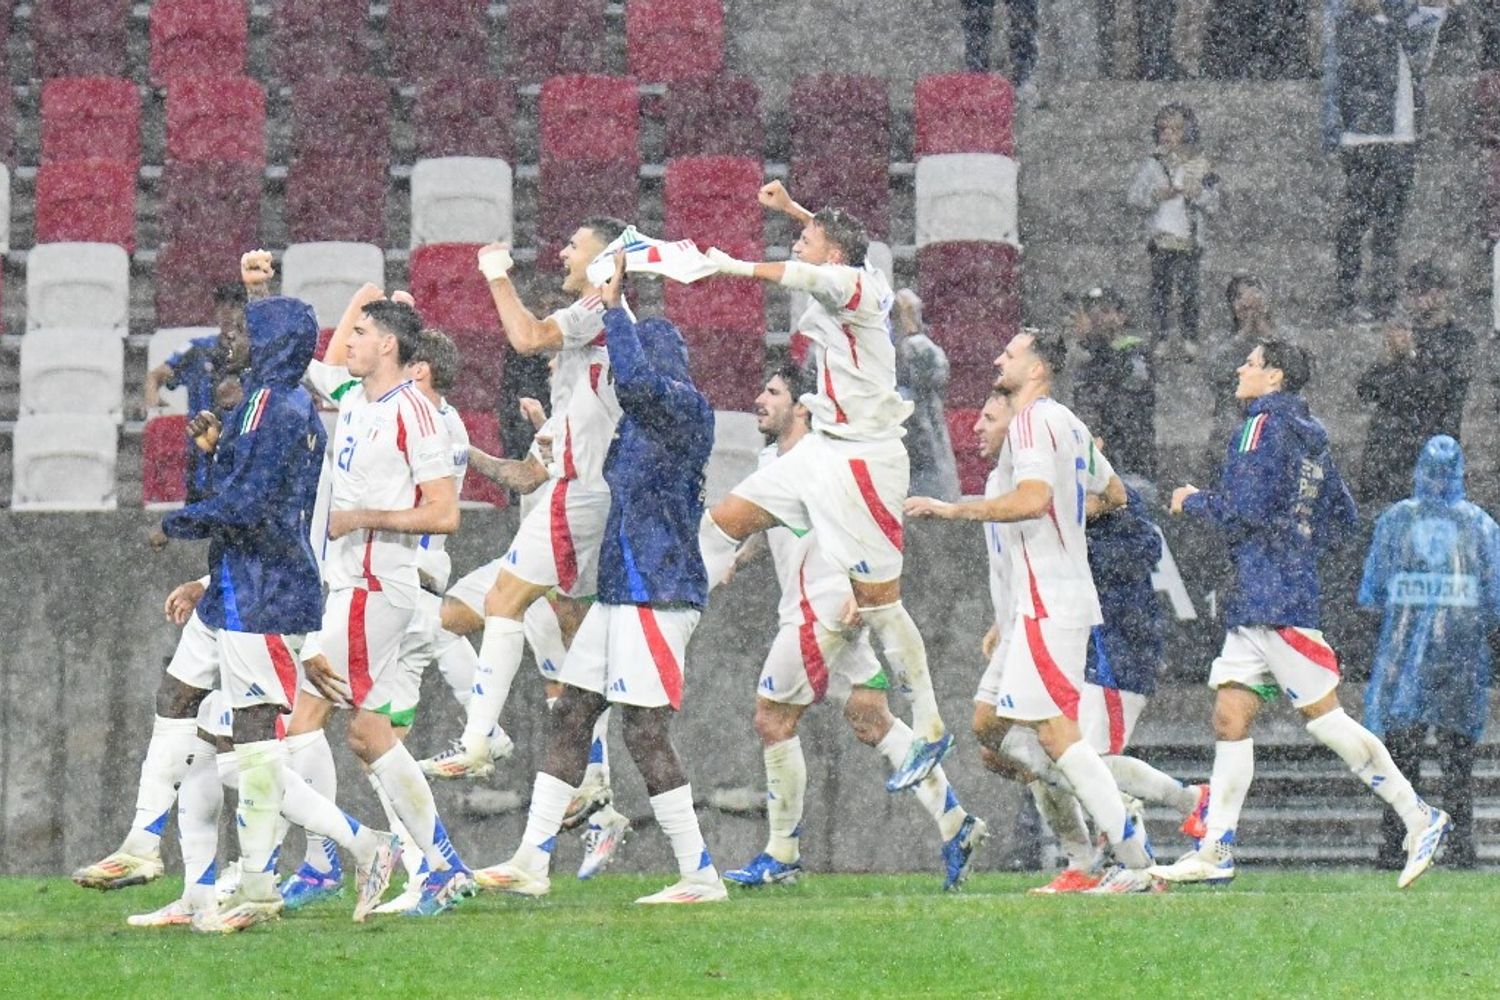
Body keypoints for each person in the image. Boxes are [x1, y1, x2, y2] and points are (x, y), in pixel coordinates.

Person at [474, 253, 726, 904]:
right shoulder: (637, 425)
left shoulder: (684, 409)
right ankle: (532, 857)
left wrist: (614, 312)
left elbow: (636, 383)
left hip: (660, 590)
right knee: (573, 713)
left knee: (644, 732)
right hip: (623, 589)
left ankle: (699, 873)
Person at [1154, 340, 1450, 888]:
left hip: (1271, 598)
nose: (1241, 368)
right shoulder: (1311, 434)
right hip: (1268, 593)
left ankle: (1418, 816)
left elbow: (1245, 509)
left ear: (1275, 378)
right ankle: (1217, 848)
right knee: (1230, 716)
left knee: (1327, 720)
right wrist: (1298, 546)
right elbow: (1341, 515)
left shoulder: (1260, 425)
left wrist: (1192, 499)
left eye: (1252, 362)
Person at [699, 180, 954, 792]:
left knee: (881, 604)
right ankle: (666, 621)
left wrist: (728, 264)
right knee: (724, 520)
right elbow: (836, 248)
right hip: (822, 448)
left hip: (866, 459)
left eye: (806, 236)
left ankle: (930, 722)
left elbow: (803, 275)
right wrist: (794, 209)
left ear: (831, 253)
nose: (798, 240)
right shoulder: (857, 269)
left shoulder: (849, 284)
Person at [157, 296, 389, 931]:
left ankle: (347, 849)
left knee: (249, 749)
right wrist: (211, 580)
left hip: (276, 598)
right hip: (249, 592)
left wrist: (297, 625)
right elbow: (260, 510)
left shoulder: (291, 416)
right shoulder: (283, 411)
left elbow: (275, 519)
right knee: (212, 747)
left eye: (363, 335)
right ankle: (203, 890)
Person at [906, 329, 1161, 893]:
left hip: (1051, 600)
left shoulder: (1031, 421)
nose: (999, 358)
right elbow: (1114, 493)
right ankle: (1101, 831)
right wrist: (1069, 520)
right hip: (1036, 604)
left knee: (1057, 737)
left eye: (1011, 353)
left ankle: (1134, 862)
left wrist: (953, 510)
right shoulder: (1066, 422)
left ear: (1038, 369)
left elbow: (1033, 500)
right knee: (988, 725)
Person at [719, 366, 987, 891]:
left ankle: (782, 853)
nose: (758, 400)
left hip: (823, 608)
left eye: (772, 393)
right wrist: (743, 556)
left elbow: (867, 525)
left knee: (772, 719)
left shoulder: (825, 459)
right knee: (870, 718)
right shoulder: (772, 459)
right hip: (812, 606)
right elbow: (777, 519)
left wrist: (851, 590)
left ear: (802, 407)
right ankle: (957, 825)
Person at [417, 218, 627, 780]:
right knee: (567, 640)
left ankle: (481, 739)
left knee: (507, 604)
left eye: (574, 246)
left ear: (606, 260)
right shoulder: (586, 371)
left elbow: (529, 337)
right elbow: (528, 472)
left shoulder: (596, 311)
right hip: (577, 493)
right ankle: (589, 781)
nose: (562, 252)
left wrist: (496, 276)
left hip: (578, 494)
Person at [292, 297, 475, 917]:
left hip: (375, 588)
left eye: (361, 333)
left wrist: (362, 518)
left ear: (390, 346)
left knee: (288, 730)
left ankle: (332, 857)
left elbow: (444, 514)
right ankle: (444, 867)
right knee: (371, 736)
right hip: (354, 586)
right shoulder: (352, 396)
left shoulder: (417, 415)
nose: (348, 341)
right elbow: (309, 359)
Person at [1359, 435, 1500, 870]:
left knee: (1402, 757)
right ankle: (1459, 846)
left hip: (1404, 656)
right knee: (1456, 758)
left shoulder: (1396, 520)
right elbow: (1494, 598)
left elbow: (1373, 593)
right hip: (1461, 655)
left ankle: (1396, 841)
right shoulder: (1479, 525)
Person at [1330, 0, 1449, 319]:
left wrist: (1435, 11)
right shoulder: (1350, 25)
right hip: (1364, 138)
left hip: (1402, 137)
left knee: (1389, 226)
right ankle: (1347, 297)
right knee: (1355, 222)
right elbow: (1361, 63)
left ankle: (1383, 299)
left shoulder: (1402, 20)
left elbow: (1423, 51)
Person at [1127, 103, 1219, 359]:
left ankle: (1190, 337)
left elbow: (1214, 201)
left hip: (1189, 239)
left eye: (1176, 129)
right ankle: (1162, 337)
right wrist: (1155, 196)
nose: (1169, 135)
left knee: (1189, 290)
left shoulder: (1201, 165)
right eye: (1164, 129)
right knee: (1161, 292)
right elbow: (1134, 197)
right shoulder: (1153, 164)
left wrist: (1197, 195)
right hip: (1161, 239)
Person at [145, 284, 251, 500]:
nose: (227, 313)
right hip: (202, 455)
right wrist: (155, 401)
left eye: (234, 306)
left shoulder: (254, 354)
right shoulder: (197, 350)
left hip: (242, 450)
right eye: (222, 307)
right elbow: (155, 377)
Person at [1067, 286, 1157, 479]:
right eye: (1092, 314)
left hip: (1130, 460)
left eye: (1106, 311)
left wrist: (1092, 343)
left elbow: (1128, 383)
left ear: (1122, 316)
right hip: (1098, 462)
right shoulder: (1088, 358)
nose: (1098, 319)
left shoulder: (1135, 351)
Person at [892, 288, 960, 502]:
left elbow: (936, 374)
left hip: (927, 453)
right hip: (906, 453)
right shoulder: (897, 348)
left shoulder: (918, 347)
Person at [1355, 316, 1430, 505]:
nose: (1404, 336)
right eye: (1398, 331)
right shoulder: (1383, 367)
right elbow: (1366, 391)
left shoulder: (1421, 365)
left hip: (1413, 434)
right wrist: (1386, 363)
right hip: (1385, 436)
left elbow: (1424, 391)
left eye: (1407, 330)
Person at [1404, 260, 1474, 444]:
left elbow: (1447, 388)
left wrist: (1410, 355)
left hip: (1440, 441)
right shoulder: (1404, 334)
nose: (1419, 297)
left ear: (1443, 292)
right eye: (1413, 290)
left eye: (1425, 289)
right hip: (1401, 438)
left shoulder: (1460, 338)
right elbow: (1370, 388)